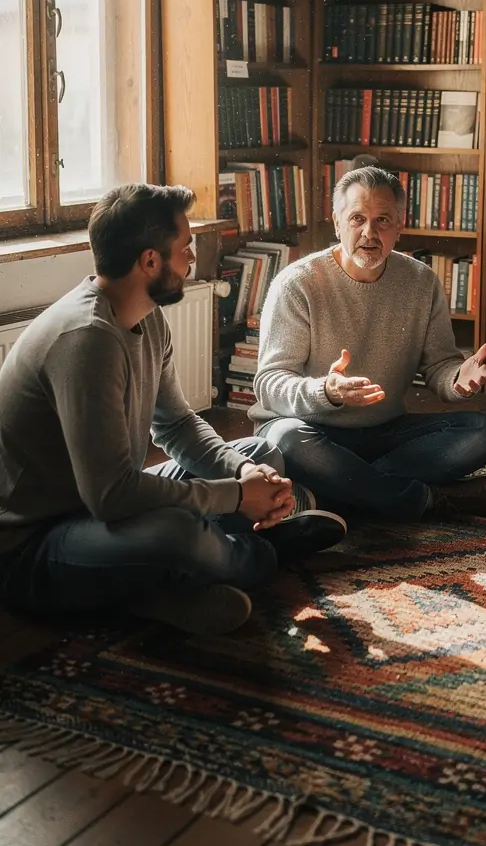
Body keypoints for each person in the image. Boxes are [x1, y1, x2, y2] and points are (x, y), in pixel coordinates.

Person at [0, 184, 345, 637]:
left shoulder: (146, 315)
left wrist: (246, 476)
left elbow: (178, 426)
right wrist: (237, 498)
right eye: (184, 250)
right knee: (175, 533)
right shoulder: (87, 340)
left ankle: (165, 587)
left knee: (261, 454)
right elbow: (113, 497)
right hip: (33, 545)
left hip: (98, 512)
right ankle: (263, 555)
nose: (192, 261)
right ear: (149, 262)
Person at [253, 166, 486, 521]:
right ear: (336, 223)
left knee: (480, 431)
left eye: (382, 220)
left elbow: (440, 367)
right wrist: (326, 391)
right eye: (357, 218)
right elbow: (269, 384)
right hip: (309, 429)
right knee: (286, 439)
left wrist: (458, 379)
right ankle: (425, 500)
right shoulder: (297, 284)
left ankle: (340, 491)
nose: (369, 232)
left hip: (381, 431)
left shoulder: (421, 282)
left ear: (399, 226)